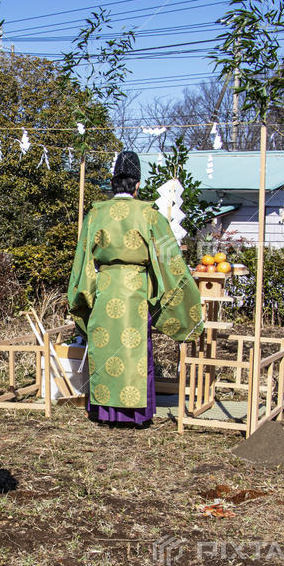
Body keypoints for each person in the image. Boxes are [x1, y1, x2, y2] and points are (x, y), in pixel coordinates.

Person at [67, 151, 204, 426]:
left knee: (104, 348)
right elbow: (170, 260)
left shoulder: (95, 213)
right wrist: (185, 295)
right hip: (136, 292)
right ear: (138, 185)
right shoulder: (149, 215)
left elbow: (81, 261)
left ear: (113, 182)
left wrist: (82, 296)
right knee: (135, 352)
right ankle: (136, 415)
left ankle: (103, 412)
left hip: (104, 289)